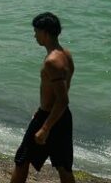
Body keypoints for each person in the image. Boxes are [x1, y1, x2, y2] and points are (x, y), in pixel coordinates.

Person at [11, 12, 75, 183]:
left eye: (36, 31)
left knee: (22, 159)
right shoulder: (66, 55)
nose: (34, 35)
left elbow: (62, 99)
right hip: (61, 116)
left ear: (45, 33)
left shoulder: (52, 61)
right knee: (63, 167)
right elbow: (59, 96)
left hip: (50, 117)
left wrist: (45, 128)